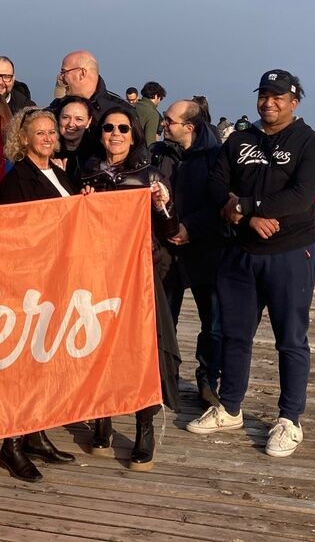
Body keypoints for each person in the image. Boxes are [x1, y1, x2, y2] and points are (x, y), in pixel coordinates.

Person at [191, 70, 315, 459]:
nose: (269, 103)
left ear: (294, 101)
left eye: (278, 97)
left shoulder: (311, 143)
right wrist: (246, 217)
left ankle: (289, 420)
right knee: (236, 335)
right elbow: (216, 186)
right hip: (241, 252)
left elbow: (302, 196)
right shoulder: (239, 139)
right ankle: (231, 407)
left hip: (290, 253)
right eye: (264, 96)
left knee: (291, 339)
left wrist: (248, 205)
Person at [81, 104, 180, 471]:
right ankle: (103, 421)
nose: (116, 134)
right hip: (99, 274)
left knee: (145, 352)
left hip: (140, 274)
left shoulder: (151, 174)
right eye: (109, 128)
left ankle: (144, 428)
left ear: (135, 134)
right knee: (102, 348)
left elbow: (172, 231)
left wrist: (163, 205)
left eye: (124, 128)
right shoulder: (88, 173)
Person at [0, 108, 86, 481]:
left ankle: (36, 433)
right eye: (40, 133)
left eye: (52, 132)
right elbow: (20, 232)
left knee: (46, 362)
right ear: (23, 138)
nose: (48, 138)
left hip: (59, 279)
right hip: (30, 283)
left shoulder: (61, 173)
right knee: (25, 364)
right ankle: (12, 443)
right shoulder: (18, 178)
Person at [150, 99, 226, 408]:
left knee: (213, 322)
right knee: (165, 319)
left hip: (207, 248)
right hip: (167, 251)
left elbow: (221, 201)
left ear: (189, 127)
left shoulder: (217, 157)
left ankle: (208, 381)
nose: (163, 124)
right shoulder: (158, 153)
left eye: (169, 120)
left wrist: (190, 227)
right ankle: (163, 379)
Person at [50, 50, 129, 128]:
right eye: (66, 117)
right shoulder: (57, 105)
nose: (60, 77)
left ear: (82, 74)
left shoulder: (122, 111)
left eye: (64, 72)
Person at [54, 94, 92, 185]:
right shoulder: (47, 152)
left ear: (88, 122)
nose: (71, 124)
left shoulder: (97, 155)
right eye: (65, 117)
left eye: (79, 119)